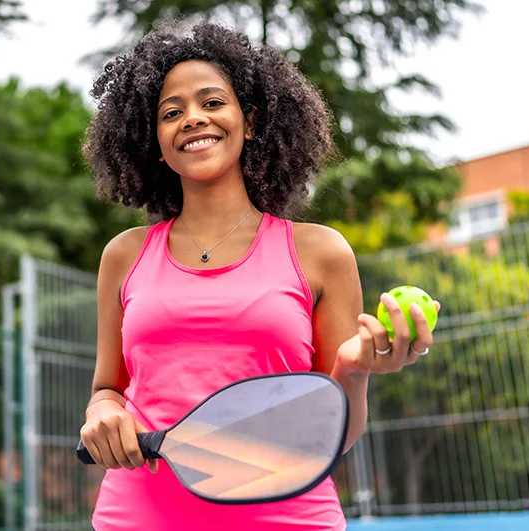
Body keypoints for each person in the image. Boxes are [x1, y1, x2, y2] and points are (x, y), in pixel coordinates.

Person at [79, 20, 440, 531]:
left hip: (289, 519)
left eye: (212, 102)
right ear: (156, 144)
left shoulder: (321, 253)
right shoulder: (123, 255)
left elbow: (333, 432)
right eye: (171, 112)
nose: (192, 119)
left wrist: (354, 371)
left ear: (248, 122)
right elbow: (107, 389)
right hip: (138, 518)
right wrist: (101, 414)